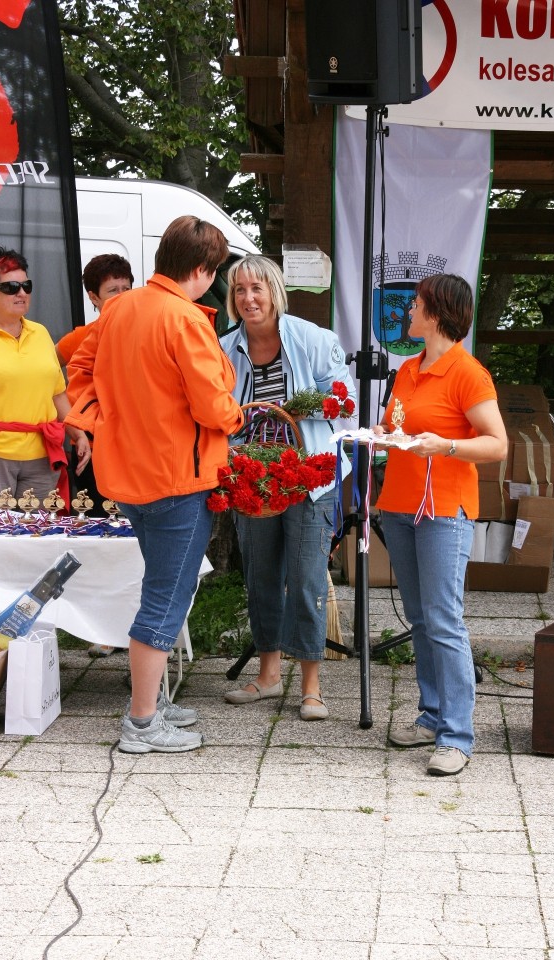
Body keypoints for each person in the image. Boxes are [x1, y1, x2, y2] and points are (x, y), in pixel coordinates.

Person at [65, 216, 244, 754]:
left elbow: (79, 366)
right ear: (202, 268)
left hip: (129, 477)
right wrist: (236, 419)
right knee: (167, 598)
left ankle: (150, 703)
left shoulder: (120, 307)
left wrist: (99, 419)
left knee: (160, 590)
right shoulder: (185, 320)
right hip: (177, 479)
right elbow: (212, 404)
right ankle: (142, 722)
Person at [373, 274, 507, 776]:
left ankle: (456, 736)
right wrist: (383, 436)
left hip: (444, 509)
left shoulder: (468, 373)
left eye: (416, 304)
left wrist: (446, 446)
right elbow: (401, 428)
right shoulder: (409, 368)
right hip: (400, 505)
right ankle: (431, 717)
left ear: (436, 314)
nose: (408, 311)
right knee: (422, 617)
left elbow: (497, 445)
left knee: (444, 619)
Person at [221, 255, 356, 720]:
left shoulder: (314, 340)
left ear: (274, 291)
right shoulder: (225, 348)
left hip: (308, 478)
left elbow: (346, 402)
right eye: (240, 290)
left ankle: (312, 686)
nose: (248, 298)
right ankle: (268, 675)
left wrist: (301, 407)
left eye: (257, 288)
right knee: (260, 577)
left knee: (305, 580)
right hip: (252, 479)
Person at [58, 254, 134, 657]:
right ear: (93, 297)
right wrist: (75, 428)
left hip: (136, 457)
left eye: (126, 288)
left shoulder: (143, 332)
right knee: (102, 540)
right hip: (92, 459)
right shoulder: (74, 342)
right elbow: (59, 392)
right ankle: (103, 630)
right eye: (111, 291)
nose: (120, 297)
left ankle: (136, 627)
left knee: (133, 545)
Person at [0, 246, 90, 503]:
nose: (21, 293)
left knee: (36, 537)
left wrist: (78, 433)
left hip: (41, 458)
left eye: (26, 286)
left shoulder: (41, 333)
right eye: (10, 287)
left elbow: (57, 393)